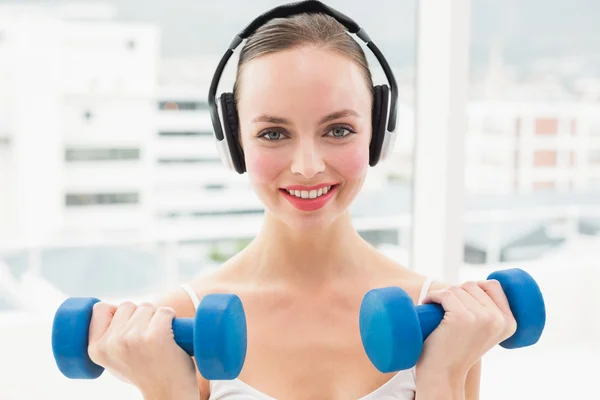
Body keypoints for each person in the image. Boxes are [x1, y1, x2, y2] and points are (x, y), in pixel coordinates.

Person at [85, 3, 517, 400]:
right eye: (273, 134)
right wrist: (166, 390)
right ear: (234, 143)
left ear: (378, 132)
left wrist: (442, 374)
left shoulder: (446, 321)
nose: (307, 167)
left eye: (338, 130)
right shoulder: (178, 324)